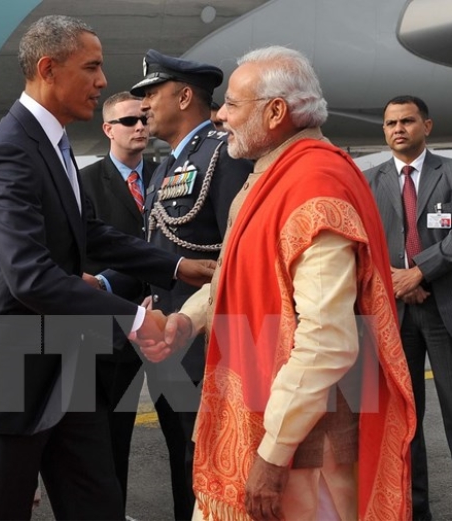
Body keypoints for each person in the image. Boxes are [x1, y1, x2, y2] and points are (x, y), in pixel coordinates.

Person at [0, 16, 213, 521]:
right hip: (14, 358)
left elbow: (92, 233)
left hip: (66, 352)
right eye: (92, 67)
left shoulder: (54, 143)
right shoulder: (8, 153)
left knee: (96, 501)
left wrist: (176, 266)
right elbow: (30, 276)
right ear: (48, 69)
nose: (104, 81)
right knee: (6, 508)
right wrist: (132, 317)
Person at [138, 45, 417, 521]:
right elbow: (234, 272)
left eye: (232, 105)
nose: (220, 115)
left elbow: (327, 341)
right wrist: (187, 322)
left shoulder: (314, 186)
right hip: (265, 420)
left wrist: (272, 455)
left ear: (275, 112)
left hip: (305, 448)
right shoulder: (271, 175)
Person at [364, 95, 452, 521]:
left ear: (427, 126)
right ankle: (411, 505)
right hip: (395, 313)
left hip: (448, 312)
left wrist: (418, 273)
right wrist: (398, 282)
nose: (398, 129)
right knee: (404, 419)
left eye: (407, 121)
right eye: (390, 123)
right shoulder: (369, 181)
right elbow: (362, 241)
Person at [128, 49, 252, 520]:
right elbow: (160, 243)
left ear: (183, 97)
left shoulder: (224, 155)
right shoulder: (165, 166)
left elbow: (235, 254)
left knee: (209, 458)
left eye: (151, 94)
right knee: (182, 457)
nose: (144, 107)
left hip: (207, 342)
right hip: (168, 340)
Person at [79, 91, 159, 506]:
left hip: (167, 324)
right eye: (129, 121)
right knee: (111, 438)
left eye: (144, 118)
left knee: (183, 437)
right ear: (108, 129)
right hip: (113, 327)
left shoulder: (166, 175)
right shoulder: (85, 183)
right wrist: (108, 285)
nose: (141, 127)